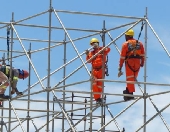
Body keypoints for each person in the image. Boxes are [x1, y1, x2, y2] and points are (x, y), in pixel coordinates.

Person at [118, 29, 145, 101]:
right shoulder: (140, 43)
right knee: (133, 78)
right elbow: (143, 54)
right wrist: (142, 62)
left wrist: (120, 66)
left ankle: (129, 94)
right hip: (138, 63)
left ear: (126, 36)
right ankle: (128, 91)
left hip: (130, 62)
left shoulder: (125, 44)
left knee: (130, 79)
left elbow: (122, 57)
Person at [86, 38, 110, 104]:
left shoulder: (102, 50)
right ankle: (97, 98)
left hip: (101, 70)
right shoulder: (92, 52)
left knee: (99, 85)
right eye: (92, 44)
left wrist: (102, 48)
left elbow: (108, 49)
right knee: (94, 83)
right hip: (94, 70)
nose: (93, 46)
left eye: (93, 44)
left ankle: (99, 99)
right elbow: (88, 61)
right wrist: (87, 54)